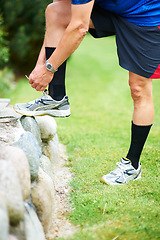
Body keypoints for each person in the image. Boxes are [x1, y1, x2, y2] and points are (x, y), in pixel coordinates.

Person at [14, 0, 160, 185]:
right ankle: (56, 97)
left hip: (145, 16)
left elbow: (79, 27)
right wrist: (41, 64)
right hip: (112, 10)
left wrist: (49, 69)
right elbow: (59, 23)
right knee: (56, 11)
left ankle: (132, 165)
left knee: (139, 89)